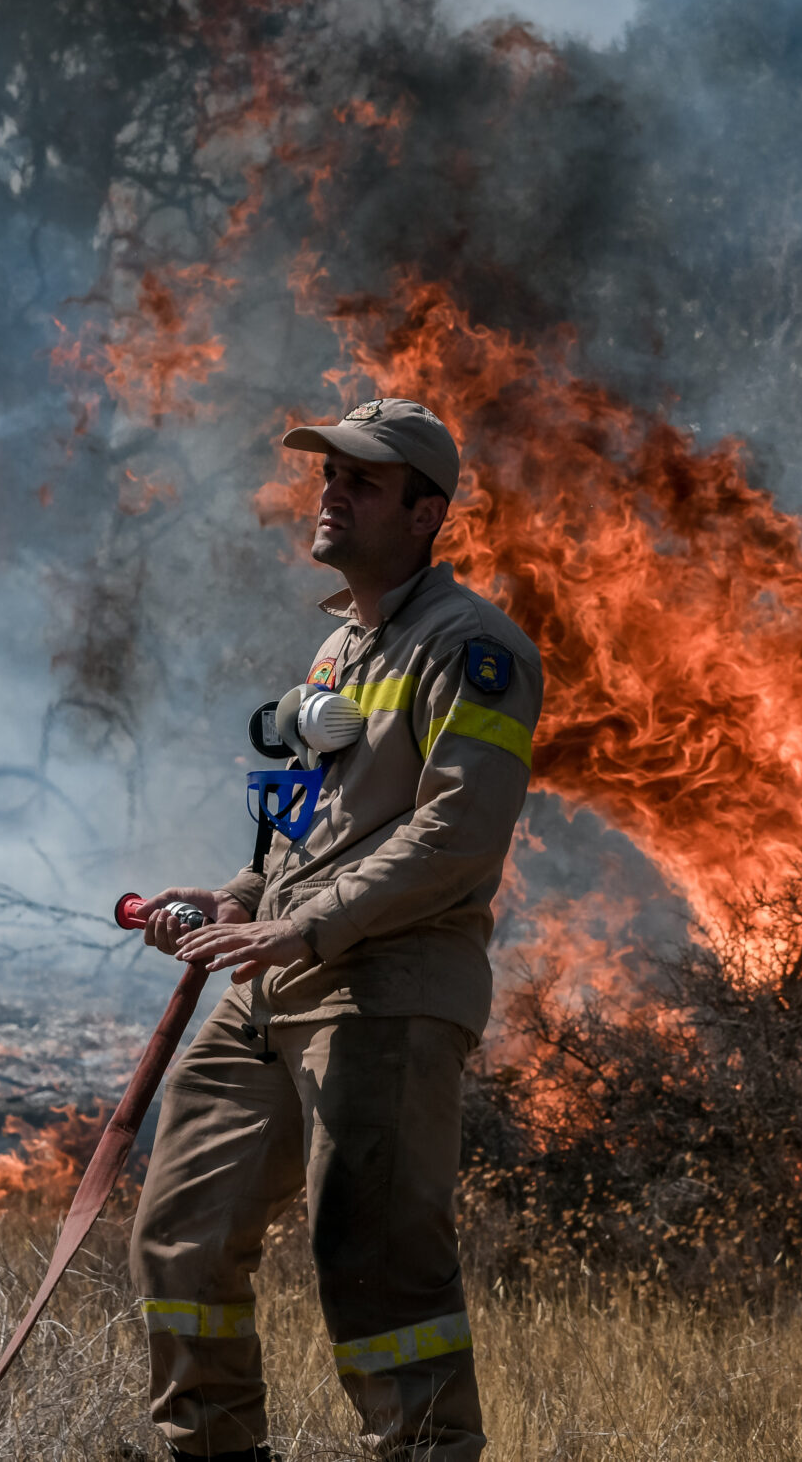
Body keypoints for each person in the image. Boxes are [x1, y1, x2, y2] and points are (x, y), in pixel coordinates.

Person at [128, 397, 544, 1462]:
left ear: (425, 513)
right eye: (329, 476)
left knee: (374, 1261)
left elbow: (460, 830)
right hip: (273, 981)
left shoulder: (474, 648)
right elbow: (306, 828)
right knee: (178, 1235)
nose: (332, 494)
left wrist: (304, 930)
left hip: (382, 991)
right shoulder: (336, 658)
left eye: (361, 480)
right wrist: (234, 902)